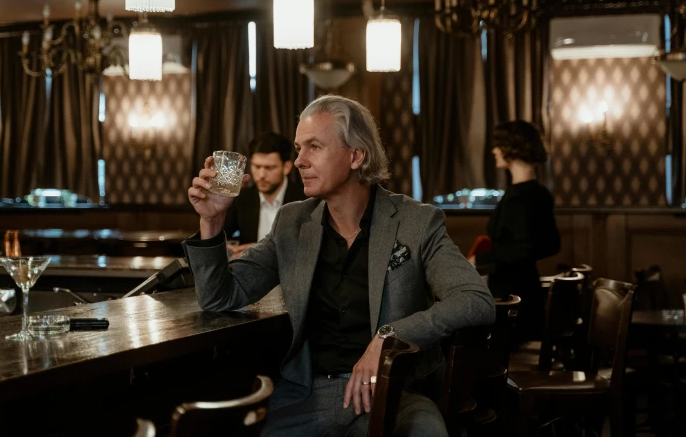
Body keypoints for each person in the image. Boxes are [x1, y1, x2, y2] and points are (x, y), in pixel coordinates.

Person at [184, 95, 494, 437]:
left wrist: (389, 337)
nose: (299, 161)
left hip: (395, 392)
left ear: (356, 155)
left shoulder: (416, 221)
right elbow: (220, 298)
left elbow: (475, 300)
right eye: (299, 148)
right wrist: (211, 222)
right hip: (306, 395)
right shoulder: (292, 223)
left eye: (314, 147)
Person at [468, 120, 560, 340]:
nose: (494, 150)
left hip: (512, 299)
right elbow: (551, 245)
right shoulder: (540, 193)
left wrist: (480, 259)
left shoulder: (518, 197)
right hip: (529, 291)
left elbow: (523, 250)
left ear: (512, 148)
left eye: (499, 144)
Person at [224, 132, 306, 258]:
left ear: (287, 167)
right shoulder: (241, 199)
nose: (261, 175)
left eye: (269, 168)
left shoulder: (304, 198)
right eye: (257, 166)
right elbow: (221, 236)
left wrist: (260, 250)